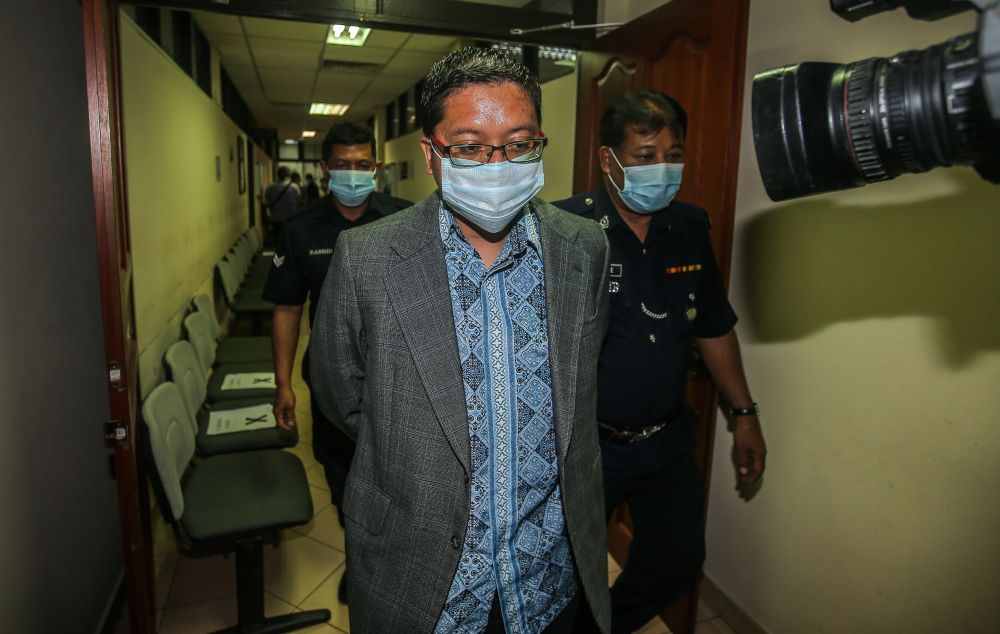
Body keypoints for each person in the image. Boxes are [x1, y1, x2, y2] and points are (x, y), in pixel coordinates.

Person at [309, 47, 613, 633]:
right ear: (431, 154)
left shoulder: (584, 249)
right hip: (426, 583)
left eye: (519, 143)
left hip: (547, 578)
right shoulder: (367, 259)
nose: (497, 163)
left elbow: (580, 390)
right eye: (470, 146)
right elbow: (342, 399)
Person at [554, 90, 767, 633]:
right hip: (586, 449)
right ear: (609, 160)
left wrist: (744, 415)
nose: (663, 169)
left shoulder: (690, 229)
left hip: (667, 443)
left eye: (674, 154)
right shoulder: (565, 233)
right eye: (646, 156)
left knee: (677, 558)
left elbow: (714, 327)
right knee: (561, 574)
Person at [261, 122, 411, 604]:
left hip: (400, 383)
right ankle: (360, 558)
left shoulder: (405, 221)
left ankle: (399, 561)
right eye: (342, 166)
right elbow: (286, 308)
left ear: (376, 167)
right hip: (332, 386)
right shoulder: (301, 229)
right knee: (344, 480)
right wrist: (283, 384)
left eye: (362, 164)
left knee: (403, 481)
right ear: (325, 169)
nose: (353, 173)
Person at [263, 165, 301, 242]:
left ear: (277, 174)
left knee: (278, 241)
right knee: (290, 241)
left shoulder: (270, 187)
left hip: (276, 219)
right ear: (289, 175)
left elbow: (268, 201)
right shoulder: (294, 187)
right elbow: (298, 201)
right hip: (290, 219)